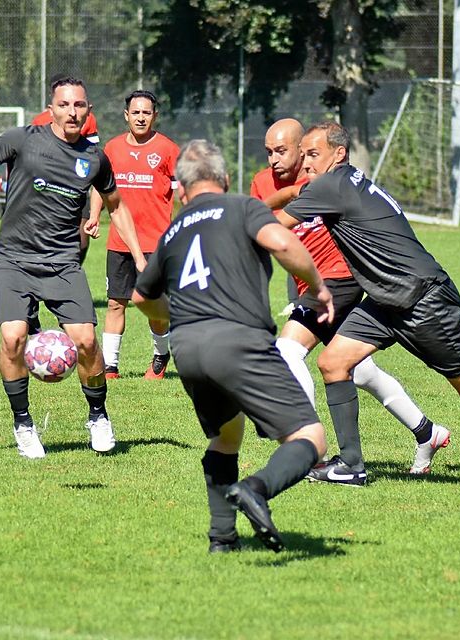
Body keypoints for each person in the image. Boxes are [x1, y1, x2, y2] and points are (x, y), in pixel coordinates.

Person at [276, 121, 460, 488]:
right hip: (387, 299)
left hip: (423, 300)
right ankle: (351, 466)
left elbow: (274, 227)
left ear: (338, 154)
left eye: (313, 154)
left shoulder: (332, 184)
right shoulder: (346, 180)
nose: (306, 162)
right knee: (333, 362)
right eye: (304, 155)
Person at [131, 139, 334, 553]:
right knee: (310, 436)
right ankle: (256, 489)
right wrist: (318, 287)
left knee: (227, 433)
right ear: (224, 179)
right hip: (238, 339)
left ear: (182, 191)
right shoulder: (242, 206)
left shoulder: (175, 228)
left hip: (187, 348)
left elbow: (140, 298)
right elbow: (282, 242)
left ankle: (221, 538)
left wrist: (179, 318)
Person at [0, 76, 146, 459]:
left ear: (88, 110)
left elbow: (118, 207)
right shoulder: (23, 139)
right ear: (52, 108)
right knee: (13, 338)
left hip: (63, 263)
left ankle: (98, 416)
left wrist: (141, 257)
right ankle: (23, 423)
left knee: (87, 342)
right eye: (63, 105)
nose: (71, 112)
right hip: (14, 260)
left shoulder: (94, 158)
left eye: (79, 105)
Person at [252, 118, 451, 484]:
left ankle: (313, 451)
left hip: (338, 280)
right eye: (268, 152)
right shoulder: (266, 182)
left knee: (288, 351)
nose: (274, 159)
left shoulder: (327, 179)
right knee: (358, 371)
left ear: (303, 149)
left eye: (282, 151)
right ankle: (426, 431)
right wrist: (288, 193)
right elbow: (262, 218)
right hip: (312, 282)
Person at [90, 89, 180, 380]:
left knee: (152, 305)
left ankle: (159, 356)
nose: (141, 118)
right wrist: (94, 216)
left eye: (146, 112)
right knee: (116, 302)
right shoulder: (113, 149)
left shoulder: (168, 149)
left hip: (156, 243)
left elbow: (184, 191)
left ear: (155, 115)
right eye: (136, 112)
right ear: (126, 115)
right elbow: (100, 187)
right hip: (119, 243)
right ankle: (110, 366)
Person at [31, 96, 101, 264]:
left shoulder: (88, 119)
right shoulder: (39, 120)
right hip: (49, 190)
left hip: (78, 188)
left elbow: (92, 152)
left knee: (82, 242)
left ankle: (72, 269)